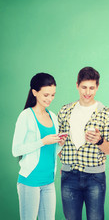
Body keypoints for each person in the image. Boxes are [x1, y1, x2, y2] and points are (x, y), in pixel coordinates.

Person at [58, 66, 109, 220]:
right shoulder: (64, 111)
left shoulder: (106, 114)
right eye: (84, 87)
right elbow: (57, 144)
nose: (87, 92)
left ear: (97, 87)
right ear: (77, 85)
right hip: (68, 176)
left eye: (92, 88)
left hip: (95, 178)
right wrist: (63, 158)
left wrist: (99, 141)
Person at [12, 73, 66, 220]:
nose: (50, 99)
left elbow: (51, 151)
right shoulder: (26, 116)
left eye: (53, 95)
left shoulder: (53, 117)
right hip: (30, 181)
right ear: (35, 92)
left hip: (48, 181)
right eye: (46, 95)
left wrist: (60, 144)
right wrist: (42, 141)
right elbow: (16, 150)